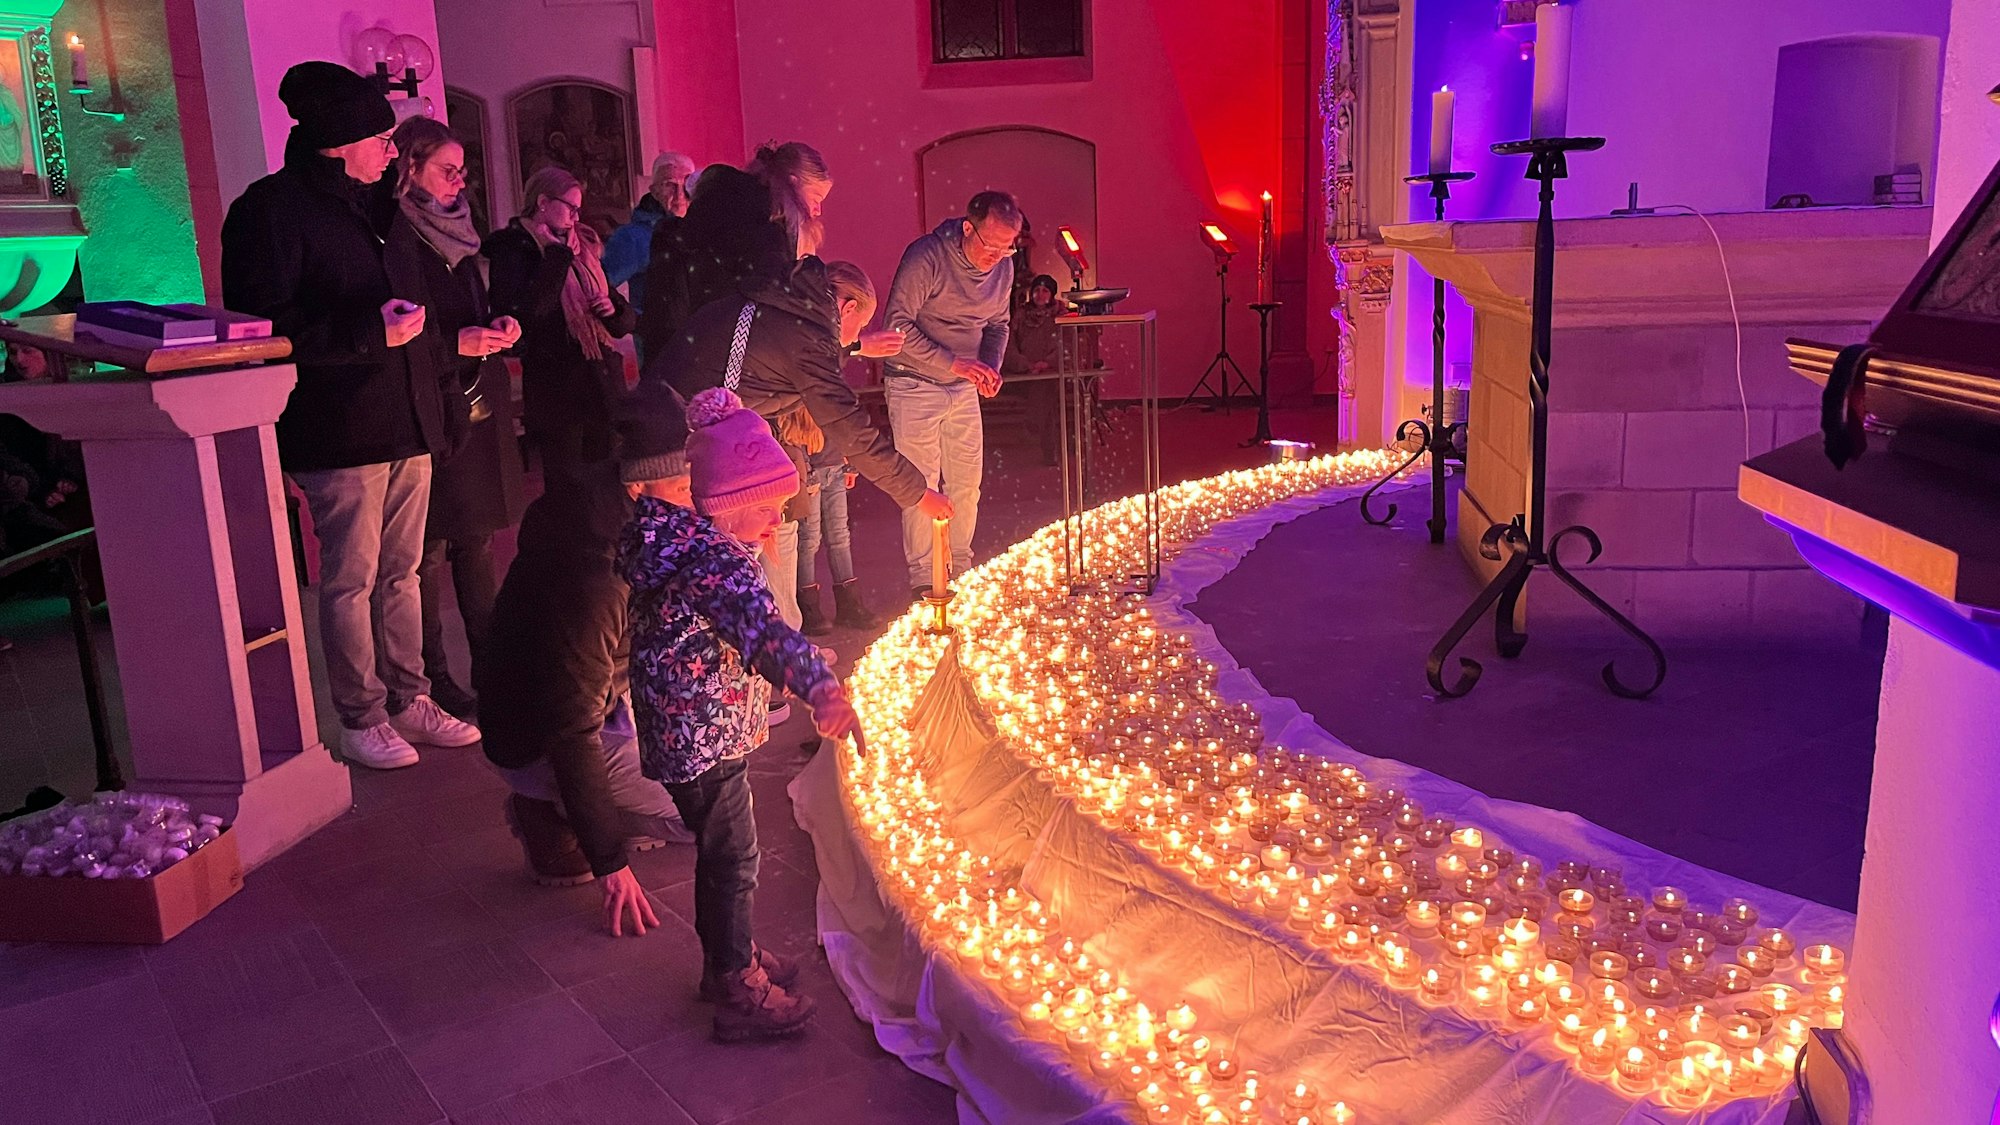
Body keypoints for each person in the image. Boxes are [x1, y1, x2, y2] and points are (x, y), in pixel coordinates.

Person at [222, 61, 480, 769]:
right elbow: (263, 329)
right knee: (351, 579)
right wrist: (369, 333)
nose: (393, 151)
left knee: (404, 575)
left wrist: (443, 401)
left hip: (407, 422)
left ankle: (409, 698)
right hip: (338, 430)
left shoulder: (383, 210)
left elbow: (416, 323)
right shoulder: (270, 212)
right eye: (383, 138)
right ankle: (360, 716)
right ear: (341, 143)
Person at [618, 386, 863, 1041]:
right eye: (765, 510)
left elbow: (746, 630)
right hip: (701, 733)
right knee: (734, 858)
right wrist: (818, 686)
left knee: (724, 854)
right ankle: (737, 987)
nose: (774, 524)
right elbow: (758, 629)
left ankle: (728, 960)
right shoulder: (713, 559)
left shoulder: (682, 542)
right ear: (724, 507)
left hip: (689, 724)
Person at [478, 382, 695, 938]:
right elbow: (570, 725)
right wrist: (611, 864)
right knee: (702, 813)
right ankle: (546, 809)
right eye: (684, 486)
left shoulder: (619, 507)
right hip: (538, 735)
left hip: (603, 699)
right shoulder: (596, 570)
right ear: (642, 483)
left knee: (705, 764)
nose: (695, 499)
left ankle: (581, 802)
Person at [645, 258, 948, 637]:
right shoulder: (805, 334)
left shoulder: (788, 305)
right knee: (705, 562)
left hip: (672, 420)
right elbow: (848, 425)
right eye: (860, 324)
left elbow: (783, 361)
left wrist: (851, 348)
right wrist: (917, 492)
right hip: (680, 442)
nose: (858, 334)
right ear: (848, 308)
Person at [382, 115, 526, 718]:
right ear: (409, 167)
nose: (458, 183)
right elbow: (404, 327)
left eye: (462, 171)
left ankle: (492, 669)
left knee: (476, 542)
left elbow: (473, 303)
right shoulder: (398, 238)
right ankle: (433, 680)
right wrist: (454, 345)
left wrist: (500, 326)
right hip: (432, 404)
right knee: (428, 553)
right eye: (446, 170)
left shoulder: (461, 237)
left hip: (475, 401)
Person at [882, 190, 1021, 599]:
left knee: (965, 483)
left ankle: (959, 566)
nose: (997, 256)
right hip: (913, 382)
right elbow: (898, 327)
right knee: (920, 484)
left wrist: (990, 367)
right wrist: (954, 363)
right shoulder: (926, 256)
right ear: (966, 229)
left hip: (962, 388)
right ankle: (925, 577)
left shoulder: (1003, 268)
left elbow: (998, 324)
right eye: (990, 246)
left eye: (1007, 248)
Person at [484, 166, 637, 494]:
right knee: (567, 489)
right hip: (557, 389)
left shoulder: (583, 247)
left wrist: (615, 311)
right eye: (570, 207)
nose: (575, 217)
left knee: (610, 482)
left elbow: (623, 322)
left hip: (601, 382)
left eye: (579, 209)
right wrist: (555, 256)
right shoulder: (514, 250)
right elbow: (528, 315)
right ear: (542, 202)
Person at [637, 142, 829, 370]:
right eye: (816, 198)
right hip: (706, 361)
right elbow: (769, 304)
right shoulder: (762, 232)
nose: (817, 210)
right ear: (794, 183)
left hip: (680, 355)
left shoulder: (723, 211)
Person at [605, 152, 696, 339]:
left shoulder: (700, 231)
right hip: (658, 348)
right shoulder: (634, 238)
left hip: (700, 345)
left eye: (686, 185)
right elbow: (600, 284)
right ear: (654, 191)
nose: (680, 194)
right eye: (669, 185)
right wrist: (631, 319)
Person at [1003, 273, 1064, 467]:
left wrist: (1046, 364)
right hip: (1023, 373)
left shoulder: (1061, 315)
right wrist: (1026, 365)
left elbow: (1067, 345)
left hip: (1050, 372)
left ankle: (1035, 427)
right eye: (1036, 290)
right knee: (1045, 394)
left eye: (1045, 290)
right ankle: (1049, 451)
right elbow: (1008, 345)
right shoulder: (1020, 315)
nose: (1040, 294)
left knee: (1045, 388)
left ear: (1052, 294)